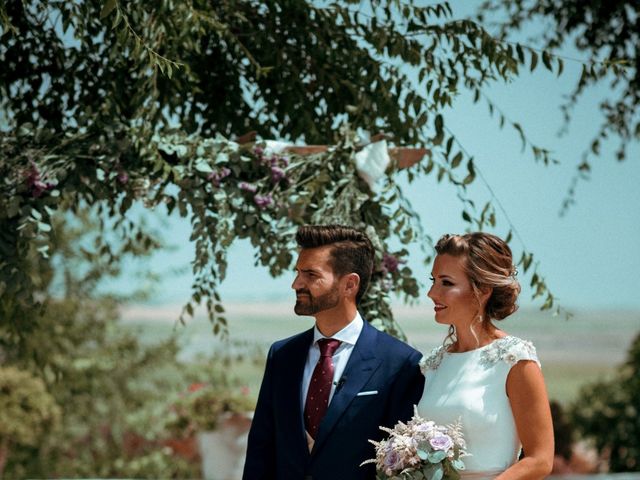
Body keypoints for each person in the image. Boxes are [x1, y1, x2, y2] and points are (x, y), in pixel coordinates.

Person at [243, 225, 425, 480]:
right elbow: (261, 451)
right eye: (297, 273)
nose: (296, 283)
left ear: (349, 284)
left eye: (310, 274)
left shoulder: (400, 363)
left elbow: (402, 467)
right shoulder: (282, 355)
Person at [417, 233, 554, 479]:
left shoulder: (515, 359)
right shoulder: (432, 364)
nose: (432, 292)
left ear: (483, 289)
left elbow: (540, 460)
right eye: (433, 280)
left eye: (446, 283)